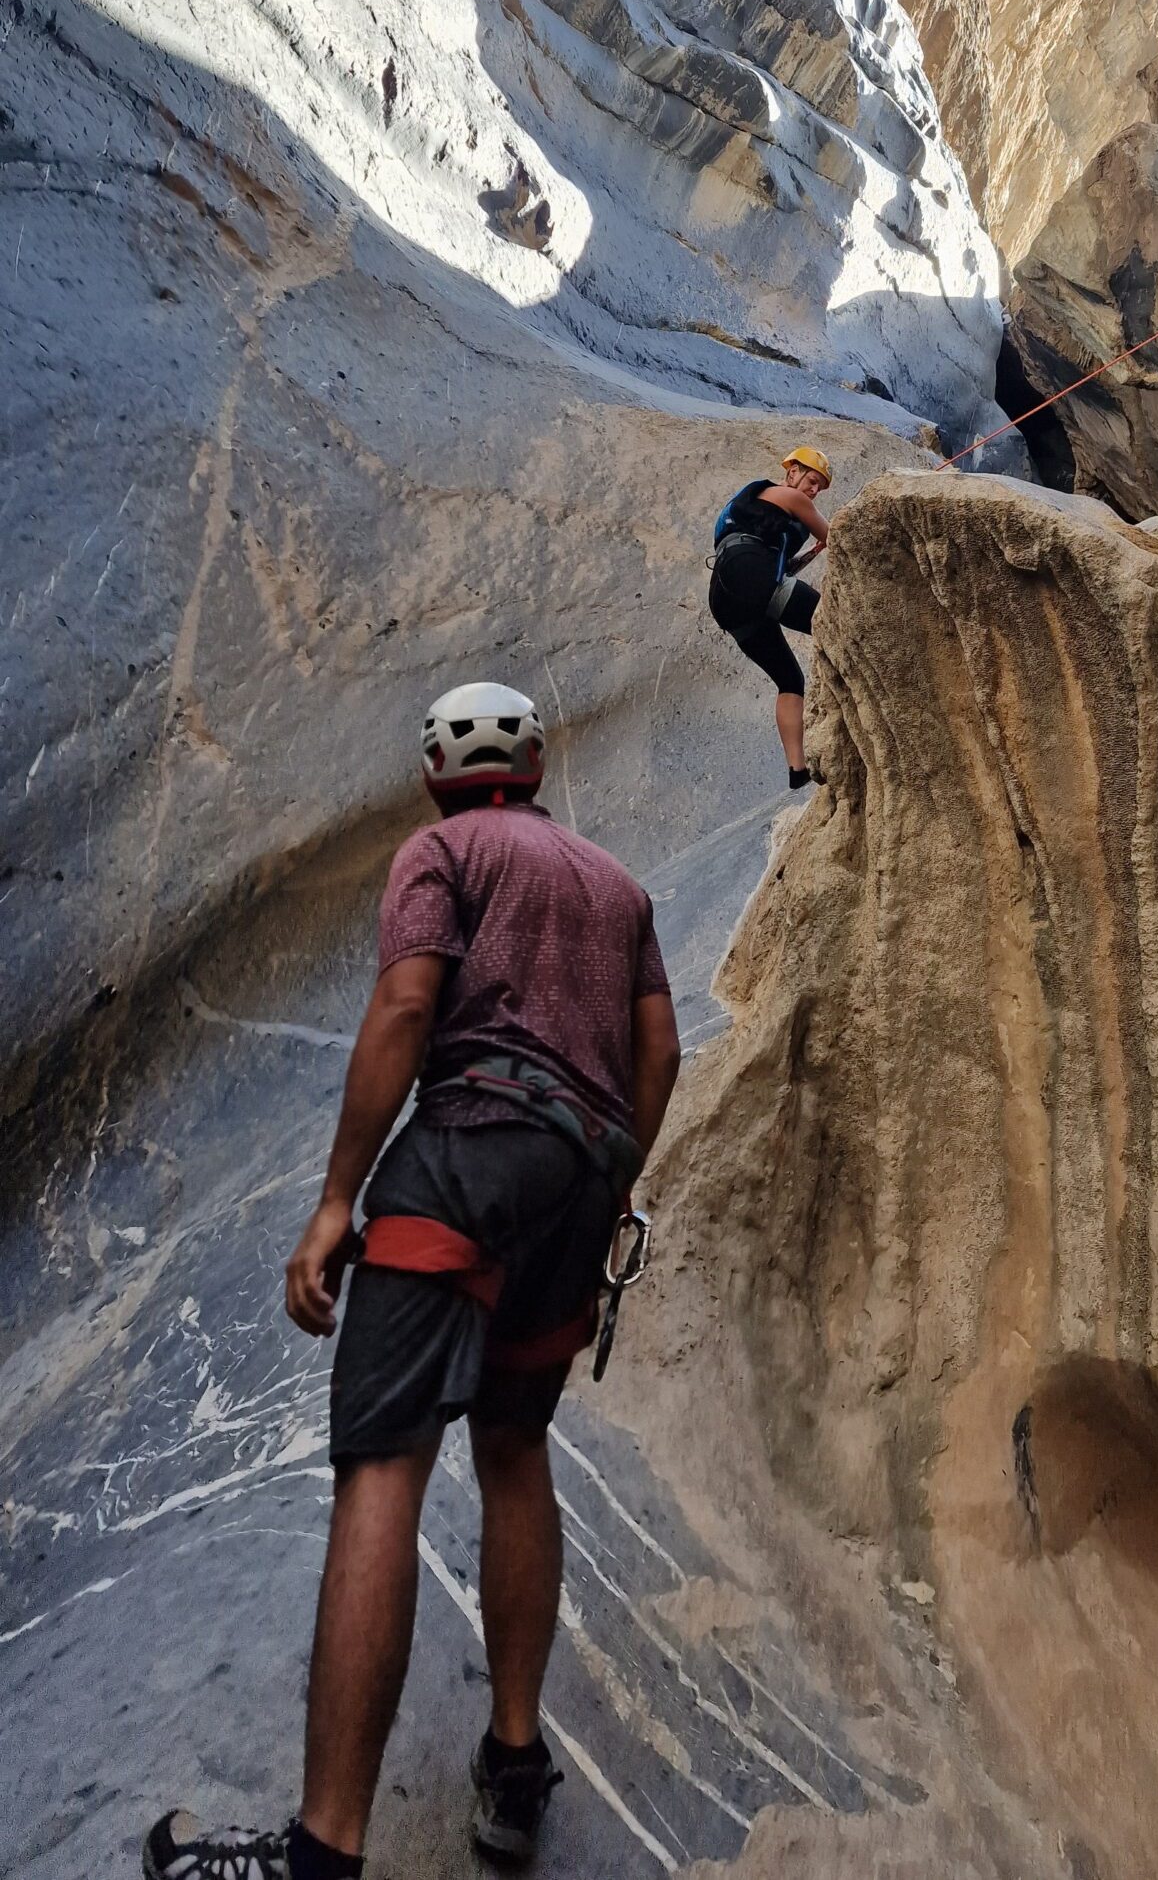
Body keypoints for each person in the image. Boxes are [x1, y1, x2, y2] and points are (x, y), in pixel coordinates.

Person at [144, 682, 682, 1880]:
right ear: (536, 762)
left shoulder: (439, 850)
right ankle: (514, 1762)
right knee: (514, 1449)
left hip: (464, 1159)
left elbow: (405, 1004)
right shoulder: (619, 888)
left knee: (384, 1461)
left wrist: (340, 1196)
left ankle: (323, 1851)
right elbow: (659, 1048)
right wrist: (615, 1184)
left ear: (438, 764)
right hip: (583, 1181)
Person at [708, 446, 833, 787]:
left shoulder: (757, 503)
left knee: (790, 680)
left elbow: (777, 566)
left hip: (727, 595)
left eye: (818, 487)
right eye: (811, 479)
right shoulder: (790, 498)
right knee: (837, 623)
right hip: (753, 574)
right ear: (791, 470)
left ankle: (797, 769)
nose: (813, 490)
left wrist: (810, 553)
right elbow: (839, 537)